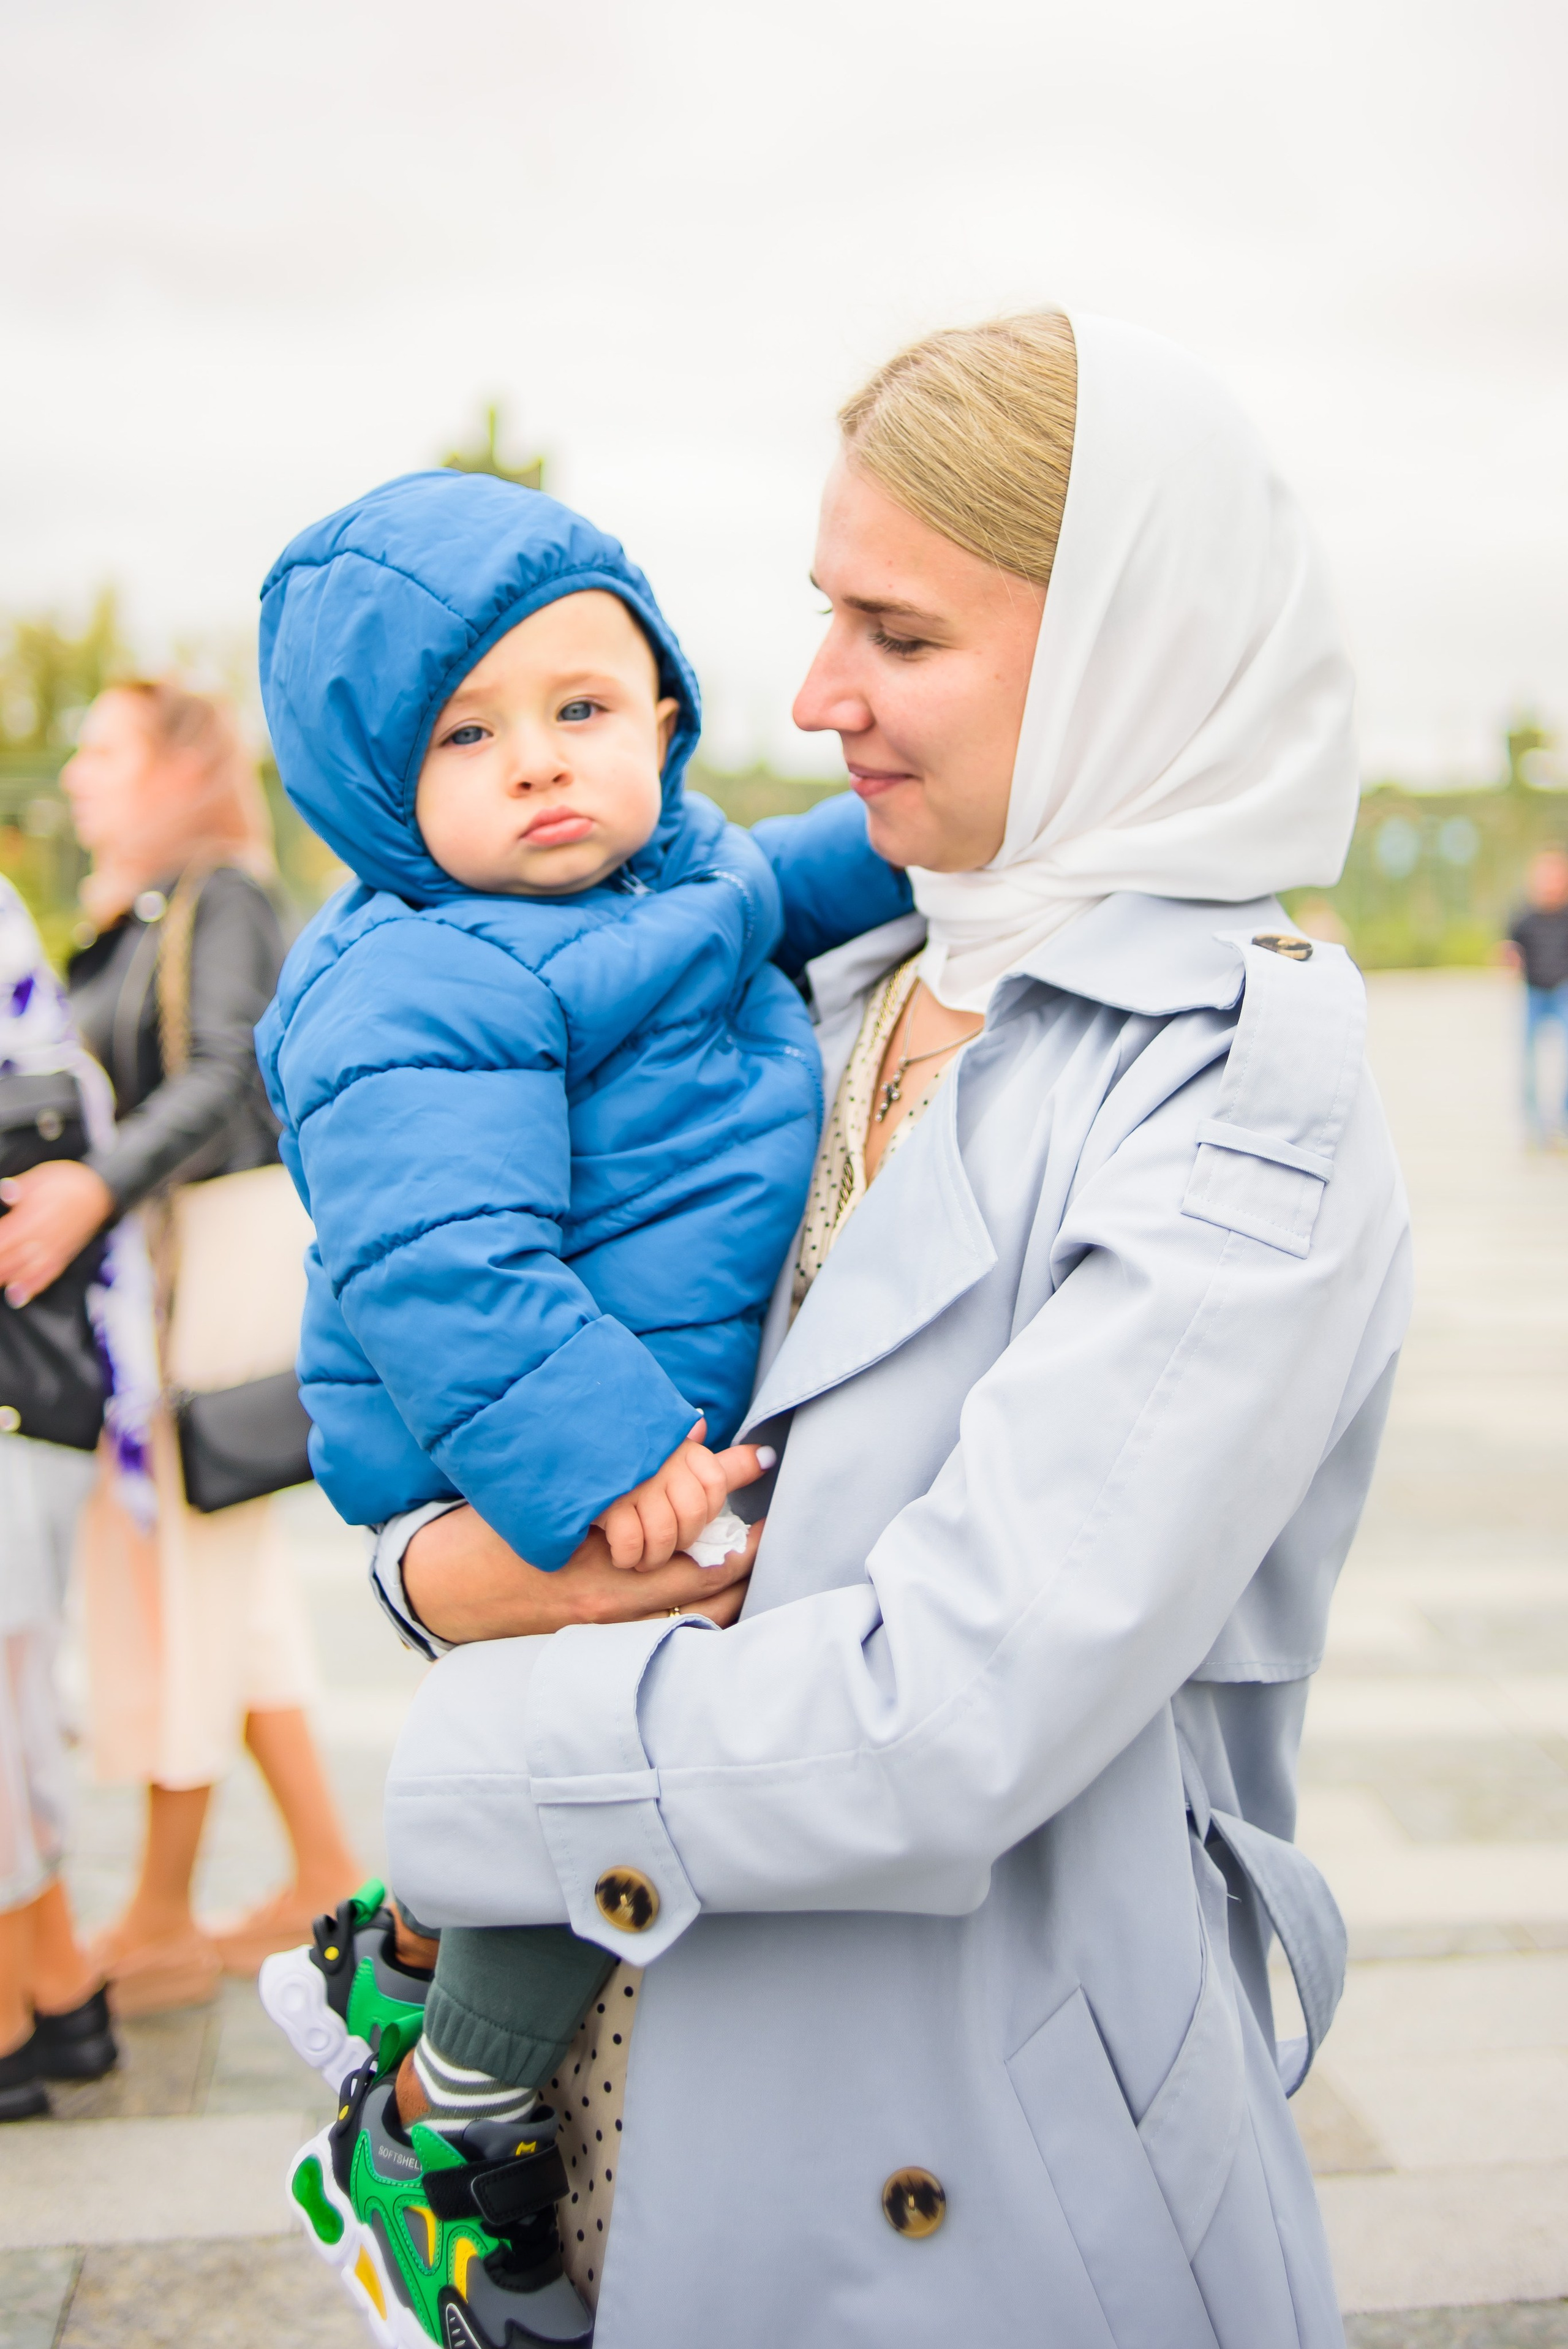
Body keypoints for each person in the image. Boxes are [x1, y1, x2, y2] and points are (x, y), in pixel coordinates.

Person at [316, 310, 1414, 2349]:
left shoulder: (1236, 1084)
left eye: (897, 634)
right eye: (826, 614)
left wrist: (464, 1738)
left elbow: (944, 1717)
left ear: (1128, 651)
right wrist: (425, 1568)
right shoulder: (842, 979)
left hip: (973, 2153)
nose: (816, 693)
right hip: (633, 2086)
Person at [251, 472, 910, 2343]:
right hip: (517, 1443)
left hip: (621, 1420)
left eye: (583, 708)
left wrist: (974, 829)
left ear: (665, 719)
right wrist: (605, 1452)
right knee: (609, 1760)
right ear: (374, 789)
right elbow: (445, 1261)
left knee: (596, 1743)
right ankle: (442, 2123)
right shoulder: (409, 983)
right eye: (464, 737)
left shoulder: (682, 876)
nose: (541, 762)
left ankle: (395, 1954)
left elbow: (810, 869)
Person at [0, 679, 360, 2010]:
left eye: (104, 750)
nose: (77, 775)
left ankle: (160, 1909)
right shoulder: (145, 909)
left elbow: (226, 1070)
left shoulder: (223, 896)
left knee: (187, 1579)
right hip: (178, 1249)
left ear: (175, 770)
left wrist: (93, 1190)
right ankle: (322, 1863)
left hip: (219, 1246)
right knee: (230, 1585)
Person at [0, 880, 126, 2119]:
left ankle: (17, 2012)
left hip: (21, 1387)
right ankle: (59, 1988)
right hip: (41, 1384)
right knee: (16, 1705)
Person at [1503, 845, 1568, 1144]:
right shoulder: (1524, 917)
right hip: (1534, 992)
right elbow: (1510, 947)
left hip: (1563, 990)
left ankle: (1563, 1121)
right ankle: (1533, 1125)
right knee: (1528, 1058)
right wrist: (1510, 960)